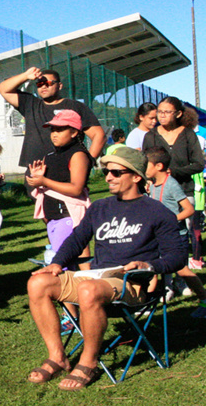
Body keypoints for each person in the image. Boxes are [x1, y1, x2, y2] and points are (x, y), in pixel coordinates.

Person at [27, 147, 187, 390]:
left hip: (132, 282)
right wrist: (57, 263)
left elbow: (178, 256)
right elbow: (77, 239)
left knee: (89, 290)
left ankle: (88, 362)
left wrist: (150, 265)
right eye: (106, 172)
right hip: (96, 278)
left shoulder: (157, 212)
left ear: (136, 177)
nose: (108, 177)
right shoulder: (101, 207)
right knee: (38, 283)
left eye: (115, 172)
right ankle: (57, 356)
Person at [142, 97, 206, 270]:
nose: (162, 116)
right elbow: (144, 163)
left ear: (178, 114)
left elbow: (199, 164)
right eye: (159, 112)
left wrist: (174, 172)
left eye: (166, 112)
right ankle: (163, 278)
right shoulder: (151, 136)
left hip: (184, 192)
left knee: (181, 235)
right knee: (159, 235)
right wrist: (147, 180)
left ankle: (183, 277)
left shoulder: (188, 134)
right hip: (158, 194)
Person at [0, 67, 105, 170]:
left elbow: (98, 135)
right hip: (35, 170)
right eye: (40, 84)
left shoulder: (75, 106)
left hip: (66, 170)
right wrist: (26, 76)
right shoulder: (30, 103)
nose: (43, 86)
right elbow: (3, 89)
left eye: (48, 83)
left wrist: (87, 163)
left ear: (60, 85)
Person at [144, 146, 206, 318]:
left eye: (146, 165)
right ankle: (148, 304)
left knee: (182, 271)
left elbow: (189, 210)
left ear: (158, 166)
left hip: (175, 236)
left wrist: (169, 221)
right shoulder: (153, 184)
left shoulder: (171, 184)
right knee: (151, 268)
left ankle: (204, 300)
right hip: (159, 236)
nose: (144, 168)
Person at [25, 110, 92, 258]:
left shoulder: (78, 155)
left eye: (60, 130)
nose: (54, 134)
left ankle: (85, 279)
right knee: (60, 260)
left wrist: (44, 181)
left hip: (67, 217)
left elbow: (76, 189)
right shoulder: (50, 156)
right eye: (52, 130)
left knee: (64, 261)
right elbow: (50, 185)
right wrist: (38, 179)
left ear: (74, 132)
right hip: (52, 218)